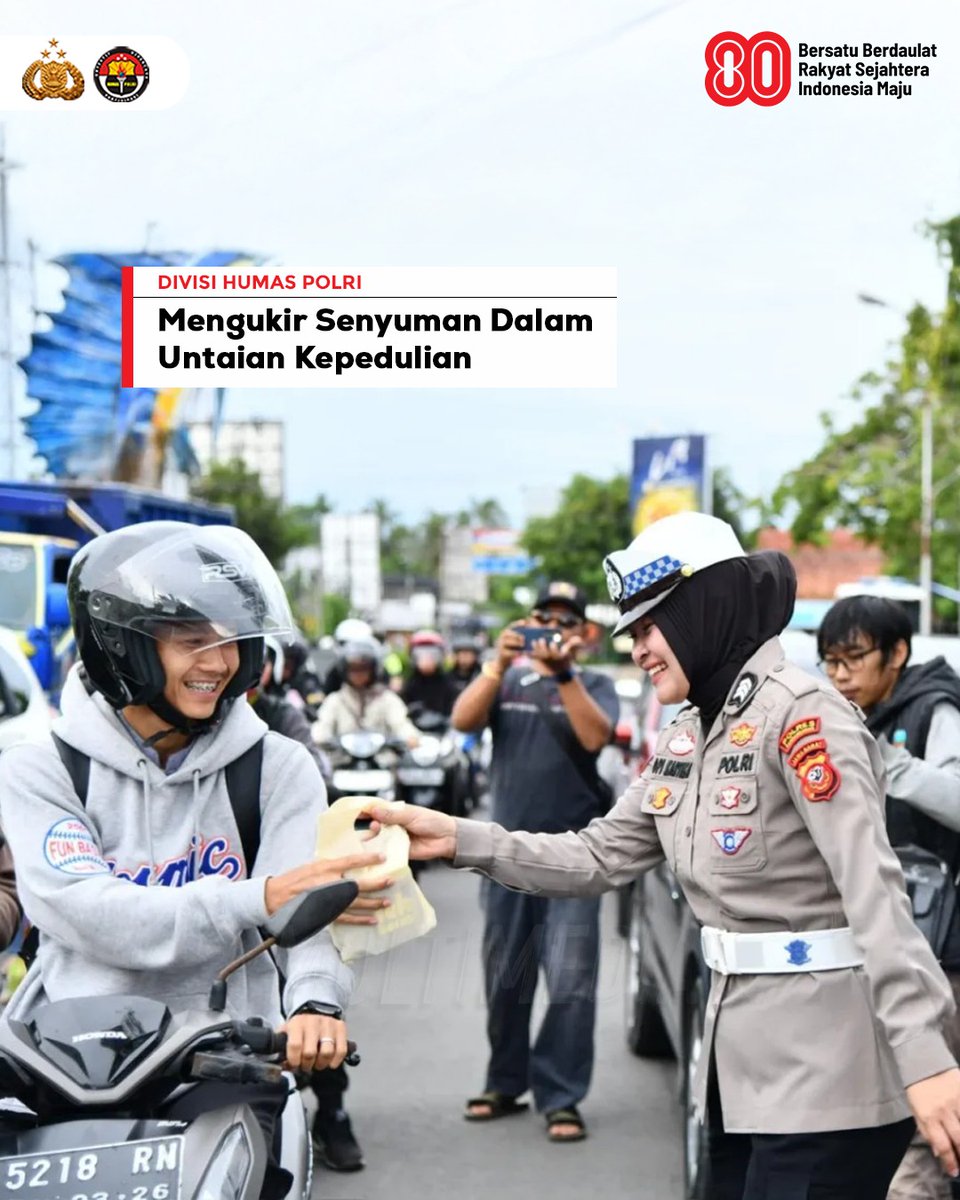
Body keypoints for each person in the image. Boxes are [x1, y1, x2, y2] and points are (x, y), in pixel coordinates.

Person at [366, 511, 960, 1200]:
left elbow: (875, 894)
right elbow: (598, 856)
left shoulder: (804, 716)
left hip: (830, 1075)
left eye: (650, 627)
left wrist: (926, 1058)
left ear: (703, 610)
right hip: (735, 1074)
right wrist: (460, 837)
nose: (639, 648)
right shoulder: (687, 734)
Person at [0, 522, 390, 1200]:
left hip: (224, 1061)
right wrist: (254, 897)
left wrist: (316, 1004)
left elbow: (306, 916)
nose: (218, 662)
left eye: (232, 641)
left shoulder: (278, 766)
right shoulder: (40, 766)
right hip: (61, 1064)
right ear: (121, 641)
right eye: (191, 640)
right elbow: (87, 914)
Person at [449, 581, 617, 1143]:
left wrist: (564, 675)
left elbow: (596, 739)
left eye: (567, 623)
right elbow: (462, 722)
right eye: (545, 619)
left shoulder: (594, 683)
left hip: (575, 859)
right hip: (505, 857)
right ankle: (505, 1082)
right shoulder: (507, 680)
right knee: (506, 979)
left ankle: (561, 1095)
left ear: (584, 636)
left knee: (570, 982)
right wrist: (496, 665)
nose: (555, 631)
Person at [817, 595, 960, 1200]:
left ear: (897, 653)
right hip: (887, 945)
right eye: (829, 661)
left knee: (919, 1125)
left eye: (853, 657)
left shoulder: (934, 709)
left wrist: (890, 765)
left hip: (938, 949)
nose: (840, 673)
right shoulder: (856, 713)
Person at [250, 643, 364, 1173]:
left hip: (283, 893)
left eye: (248, 655)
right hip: (223, 917)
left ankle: (333, 1113)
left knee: (313, 1014)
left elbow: (314, 775)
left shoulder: (280, 725)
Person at [313, 637, 420, 746]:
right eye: (353, 669)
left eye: (364, 668)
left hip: (381, 759)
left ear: (374, 670)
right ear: (344, 670)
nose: (358, 674)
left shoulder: (387, 699)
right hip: (343, 760)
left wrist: (411, 737)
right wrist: (318, 739)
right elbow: (322, 726)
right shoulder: (335, 700)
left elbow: (401, 724)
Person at [401, 629, 459, 718]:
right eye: (420, 654)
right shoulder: (408, 686)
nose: (426, 659)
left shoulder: (449, 685)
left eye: (433, 654)